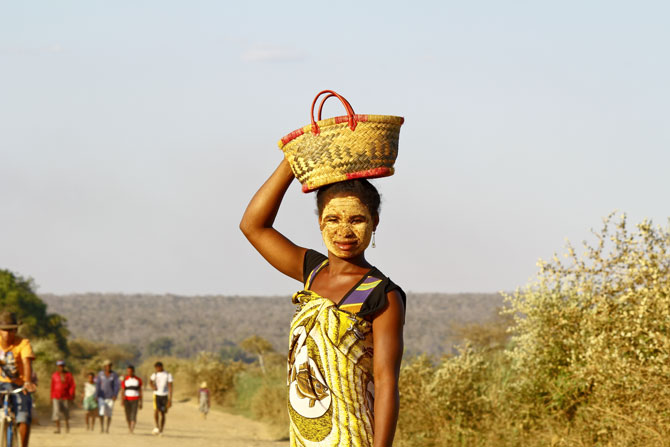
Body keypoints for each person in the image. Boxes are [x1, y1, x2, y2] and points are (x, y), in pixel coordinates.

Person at [240, 160, 406, 447]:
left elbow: (385, 382)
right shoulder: (312, 271)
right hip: (305, 439)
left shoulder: (381, 293)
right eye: (333, 219)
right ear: (319, 221)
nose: (344, 231)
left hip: (352, 437)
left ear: (374, 221)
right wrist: (292, 162)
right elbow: (253, 226)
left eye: (357, 219)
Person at [0, 311, 37, 447]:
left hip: (18, 385)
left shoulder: (23, 343)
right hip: (0, 383)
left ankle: (23, 445)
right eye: (4, 330)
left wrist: (27, 381)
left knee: (23, 416)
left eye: (11, 330)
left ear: (16, 330)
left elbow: (27, 362)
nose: (7, 334)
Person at [50, 359, 75, 434]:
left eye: (62, 366)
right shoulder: (54, 375)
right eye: (59, 366)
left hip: (66, 397)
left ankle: (67, 427)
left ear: (64, 366)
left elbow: (72, 386)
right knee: (56, 412)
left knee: (66, 412)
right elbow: (52, 386)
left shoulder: (69, 375)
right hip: (56, 396)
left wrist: (71, 395)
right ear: (57, 366)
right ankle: (58, 429)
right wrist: (51, 397)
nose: (61, 367)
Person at [95, 359, 120, 433]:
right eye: (107, 366)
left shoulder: (114, 375)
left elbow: (116, 385)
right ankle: (101, 427)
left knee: (109, 414)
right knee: (101, 412)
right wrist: (96, 395)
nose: (108, 367)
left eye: (109, 366)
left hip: (110, 397)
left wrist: (115, 394)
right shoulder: (100, 374)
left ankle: (107, 428)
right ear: (104, 366)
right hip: (101, 396)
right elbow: (97, 385)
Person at [149, 361, 173, 436]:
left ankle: (161, 429)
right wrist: (153, 386)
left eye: (158, 367)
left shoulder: (168, 375)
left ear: (162, 367)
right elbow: (150, 382)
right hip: (156, 395)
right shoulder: (155, 374)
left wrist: (170, 399)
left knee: (163, 413)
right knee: (156, 411)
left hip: (164, 395)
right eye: (156, 368)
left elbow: (170, 386)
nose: (157, 369)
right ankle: (157, 426)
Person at [121, 365, 143, 433]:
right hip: (127, 399)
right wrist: (122, 400)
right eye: (128, 371)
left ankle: (132, 429)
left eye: (130, 371)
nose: (129, 372)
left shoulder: (138, 380)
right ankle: (129, 426)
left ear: (133, 371)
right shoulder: (125, 380)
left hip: (135, 399)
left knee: (133, 414)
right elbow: (122, 390)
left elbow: (140, 391)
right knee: (127, 415)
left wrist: (141, 402)